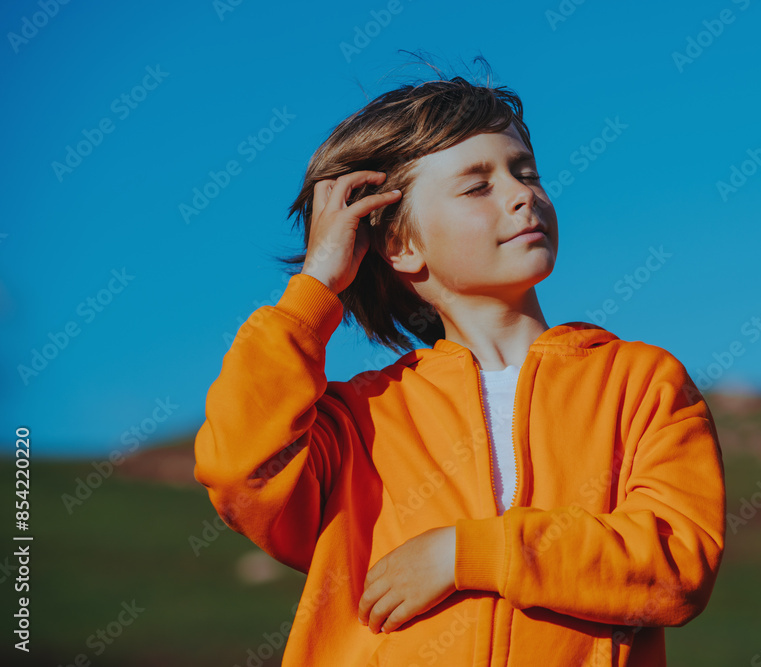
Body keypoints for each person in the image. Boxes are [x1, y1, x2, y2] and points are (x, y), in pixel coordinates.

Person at [193, 62, 726, 666]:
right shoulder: (359, 421)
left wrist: (468, 554)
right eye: (478, 186)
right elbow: (241, 474)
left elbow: (678, 560)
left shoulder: (642, 382)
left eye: (525, 172)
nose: (522, 193)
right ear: (401, 246)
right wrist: (316, 285)